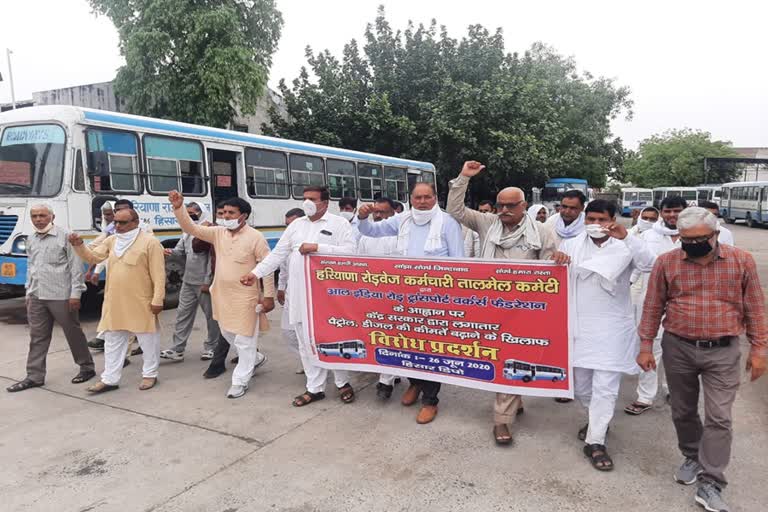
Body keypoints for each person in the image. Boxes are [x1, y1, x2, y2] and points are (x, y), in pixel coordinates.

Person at [637, 207, 767, 512]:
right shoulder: (667, 262)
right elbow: (653, 306)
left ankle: (711, 481)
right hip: (678, 347)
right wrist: (645, 345)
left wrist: (759, 349)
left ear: (716, 234)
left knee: (719, 416)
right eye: (686, 239)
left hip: (723, 350)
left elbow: (756, 309)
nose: (692, 244)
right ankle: (692, 455)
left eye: (700, 239)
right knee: (682, 410)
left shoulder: (741, 260)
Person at [447, 161, 562, 444]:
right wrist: (464, 178)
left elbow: (549, 271)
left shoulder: (543, 232)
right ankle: (511, 404)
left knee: (511, 358)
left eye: (511, 206)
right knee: (497, 358)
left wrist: (558, 263)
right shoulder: (488, 223)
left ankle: (502, 419)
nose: (505, 211)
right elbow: (455, 211)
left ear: (524, 206)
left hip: (525, 310)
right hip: (490, 306)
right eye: (501, 205)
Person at [559, 199, 656, 471]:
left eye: (601, 220)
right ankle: (597, 418)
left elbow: (650, 265)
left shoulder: (626, 244)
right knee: (580, 385)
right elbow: (557, 277)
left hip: (612, 327)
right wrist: (557, 260)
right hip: (578, 326)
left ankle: (596, 440)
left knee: (606, 386)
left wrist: (627, 238)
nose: (595, 225)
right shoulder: (571, 245)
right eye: (590, 220)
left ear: (613, 219)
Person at [357, 182, 465, 424]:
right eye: (418, 197)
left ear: (435, 198)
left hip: (435, 298)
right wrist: (363, 218)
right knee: (408, 344)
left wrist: (450, 299)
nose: (423, 201)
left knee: (430, 348)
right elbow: (372, 231)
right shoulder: (402, 220)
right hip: (404, 297)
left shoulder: (447, 223)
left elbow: (458, 263)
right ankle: (414, 385)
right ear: (411, 199)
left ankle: (430, 400)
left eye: (428, 197)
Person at [241, 185, 358, 407]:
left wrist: (319, 247)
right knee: (306, 343)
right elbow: (278, 254)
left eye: (312, 199)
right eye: (304, 198)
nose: (307, 203)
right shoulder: (296, 225)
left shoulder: (339, 224)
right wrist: (255, 273)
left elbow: (351, 253)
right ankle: (315, 388)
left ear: (324, 202)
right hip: (299, 295)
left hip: (327, 296)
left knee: (333, 339)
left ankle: (343, 382)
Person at [170, 192, 275, 399]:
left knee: (244, 340)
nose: (226, 216)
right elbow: (190, 228)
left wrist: (269, 295)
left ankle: (240, 381)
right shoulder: (217, 233)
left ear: (243, 215)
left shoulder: (255, 237)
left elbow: (267, 266)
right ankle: (255, 358)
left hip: (246, 296)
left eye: (231, 213)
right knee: (228, 333)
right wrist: (179, 208)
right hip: (221, 294)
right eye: (224, 212)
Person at [69, 208, 166, 393]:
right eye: (116, 222)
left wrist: (158, 299)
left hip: (141, 300)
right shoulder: (112, 240)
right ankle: (109, 379)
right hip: (115, 301)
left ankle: (150, 375)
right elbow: (94, 256)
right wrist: (79, 245)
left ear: (136, 222)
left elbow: (159, 274)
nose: (118, 226)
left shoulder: (150, 242)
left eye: (123, 222)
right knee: (113, 341)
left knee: (148, 340)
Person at [6, 205, 96, 392]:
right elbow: (32, 266)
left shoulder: (66, 236)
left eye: (42, 215)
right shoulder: (31, 239)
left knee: (73, 332)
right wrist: (28, 291)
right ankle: (34, 376)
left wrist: (75, 294)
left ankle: (86, 367)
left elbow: (76, 267)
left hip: (61, 295)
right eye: (34, 216)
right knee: (37, 337)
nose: (38, 219)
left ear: (52, 217)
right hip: (37, 295)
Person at [624, 196, 686, 415]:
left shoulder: (693, 234)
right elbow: (637, 265)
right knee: (650, 346)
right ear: (661, 213)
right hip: (652, 298)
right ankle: (645, 397)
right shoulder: (648, 235)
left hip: (684, 301)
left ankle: (673, 391)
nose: (672, 215)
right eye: (667, 211)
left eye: (677, 211)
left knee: (678, 348)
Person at [87, 198, 154, 352]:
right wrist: (95, 270)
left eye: (122, 210)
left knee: (133, 319)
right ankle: (109, 341)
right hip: (116, 280)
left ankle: (127, 353)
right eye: (116, 211)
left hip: (137, 282)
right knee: (117, 316)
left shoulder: (145, 230)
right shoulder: (112, 230)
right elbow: (101, 252)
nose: (118, 219)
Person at [159, 202, 219, 362]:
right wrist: (169, 251)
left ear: (201, 213)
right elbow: (180, 251)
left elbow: (212, 259)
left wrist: (208, 281)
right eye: (187, 213)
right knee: (182, 315)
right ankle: (177, 349)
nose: (189, 216)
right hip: (188, 281)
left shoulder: (209, 232)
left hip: (204, 283)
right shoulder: (187, 232)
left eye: (192, 213)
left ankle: (212, 347)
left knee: (211, 317)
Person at [356, 197, 402, 399]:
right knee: (378, 335)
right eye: (376, 212)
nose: (378, 215)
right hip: (372, 294)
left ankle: (386, 382)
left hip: (398, 295)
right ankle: (391, 372)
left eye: (383, 212)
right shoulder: (366, 236)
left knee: (393, 336)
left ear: (393, 213)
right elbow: (359, 263)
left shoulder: (401, 234)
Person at [277, 208, 306, 375]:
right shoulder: (287, 242)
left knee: (307, 334)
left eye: (292, 224)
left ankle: (316, 364)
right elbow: (283, 268)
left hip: (308, 298)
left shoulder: (311, 243)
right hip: (290, 296)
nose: (288, 228)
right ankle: (305, 360)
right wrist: (280, 288)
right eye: (286, 225)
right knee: (289, 333)